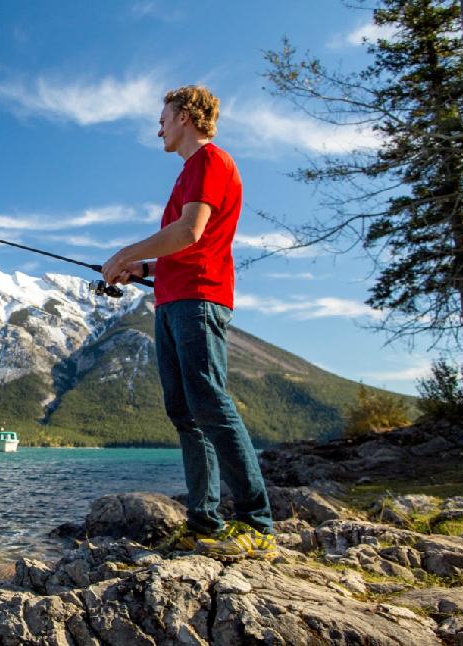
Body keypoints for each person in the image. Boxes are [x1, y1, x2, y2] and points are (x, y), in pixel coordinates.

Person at [100, 85, 275, 561]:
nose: (158, 126)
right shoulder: (187, 174)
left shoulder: (209, 162)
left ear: (186, 116)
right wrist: (144, 269)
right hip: (173, 299)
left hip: (199, 300)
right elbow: (184, 248)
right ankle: (204, 521)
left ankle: (256, 522)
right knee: (185, 412)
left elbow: (189, 232)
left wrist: (124, 254)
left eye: (163, 116)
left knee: (210, 404)